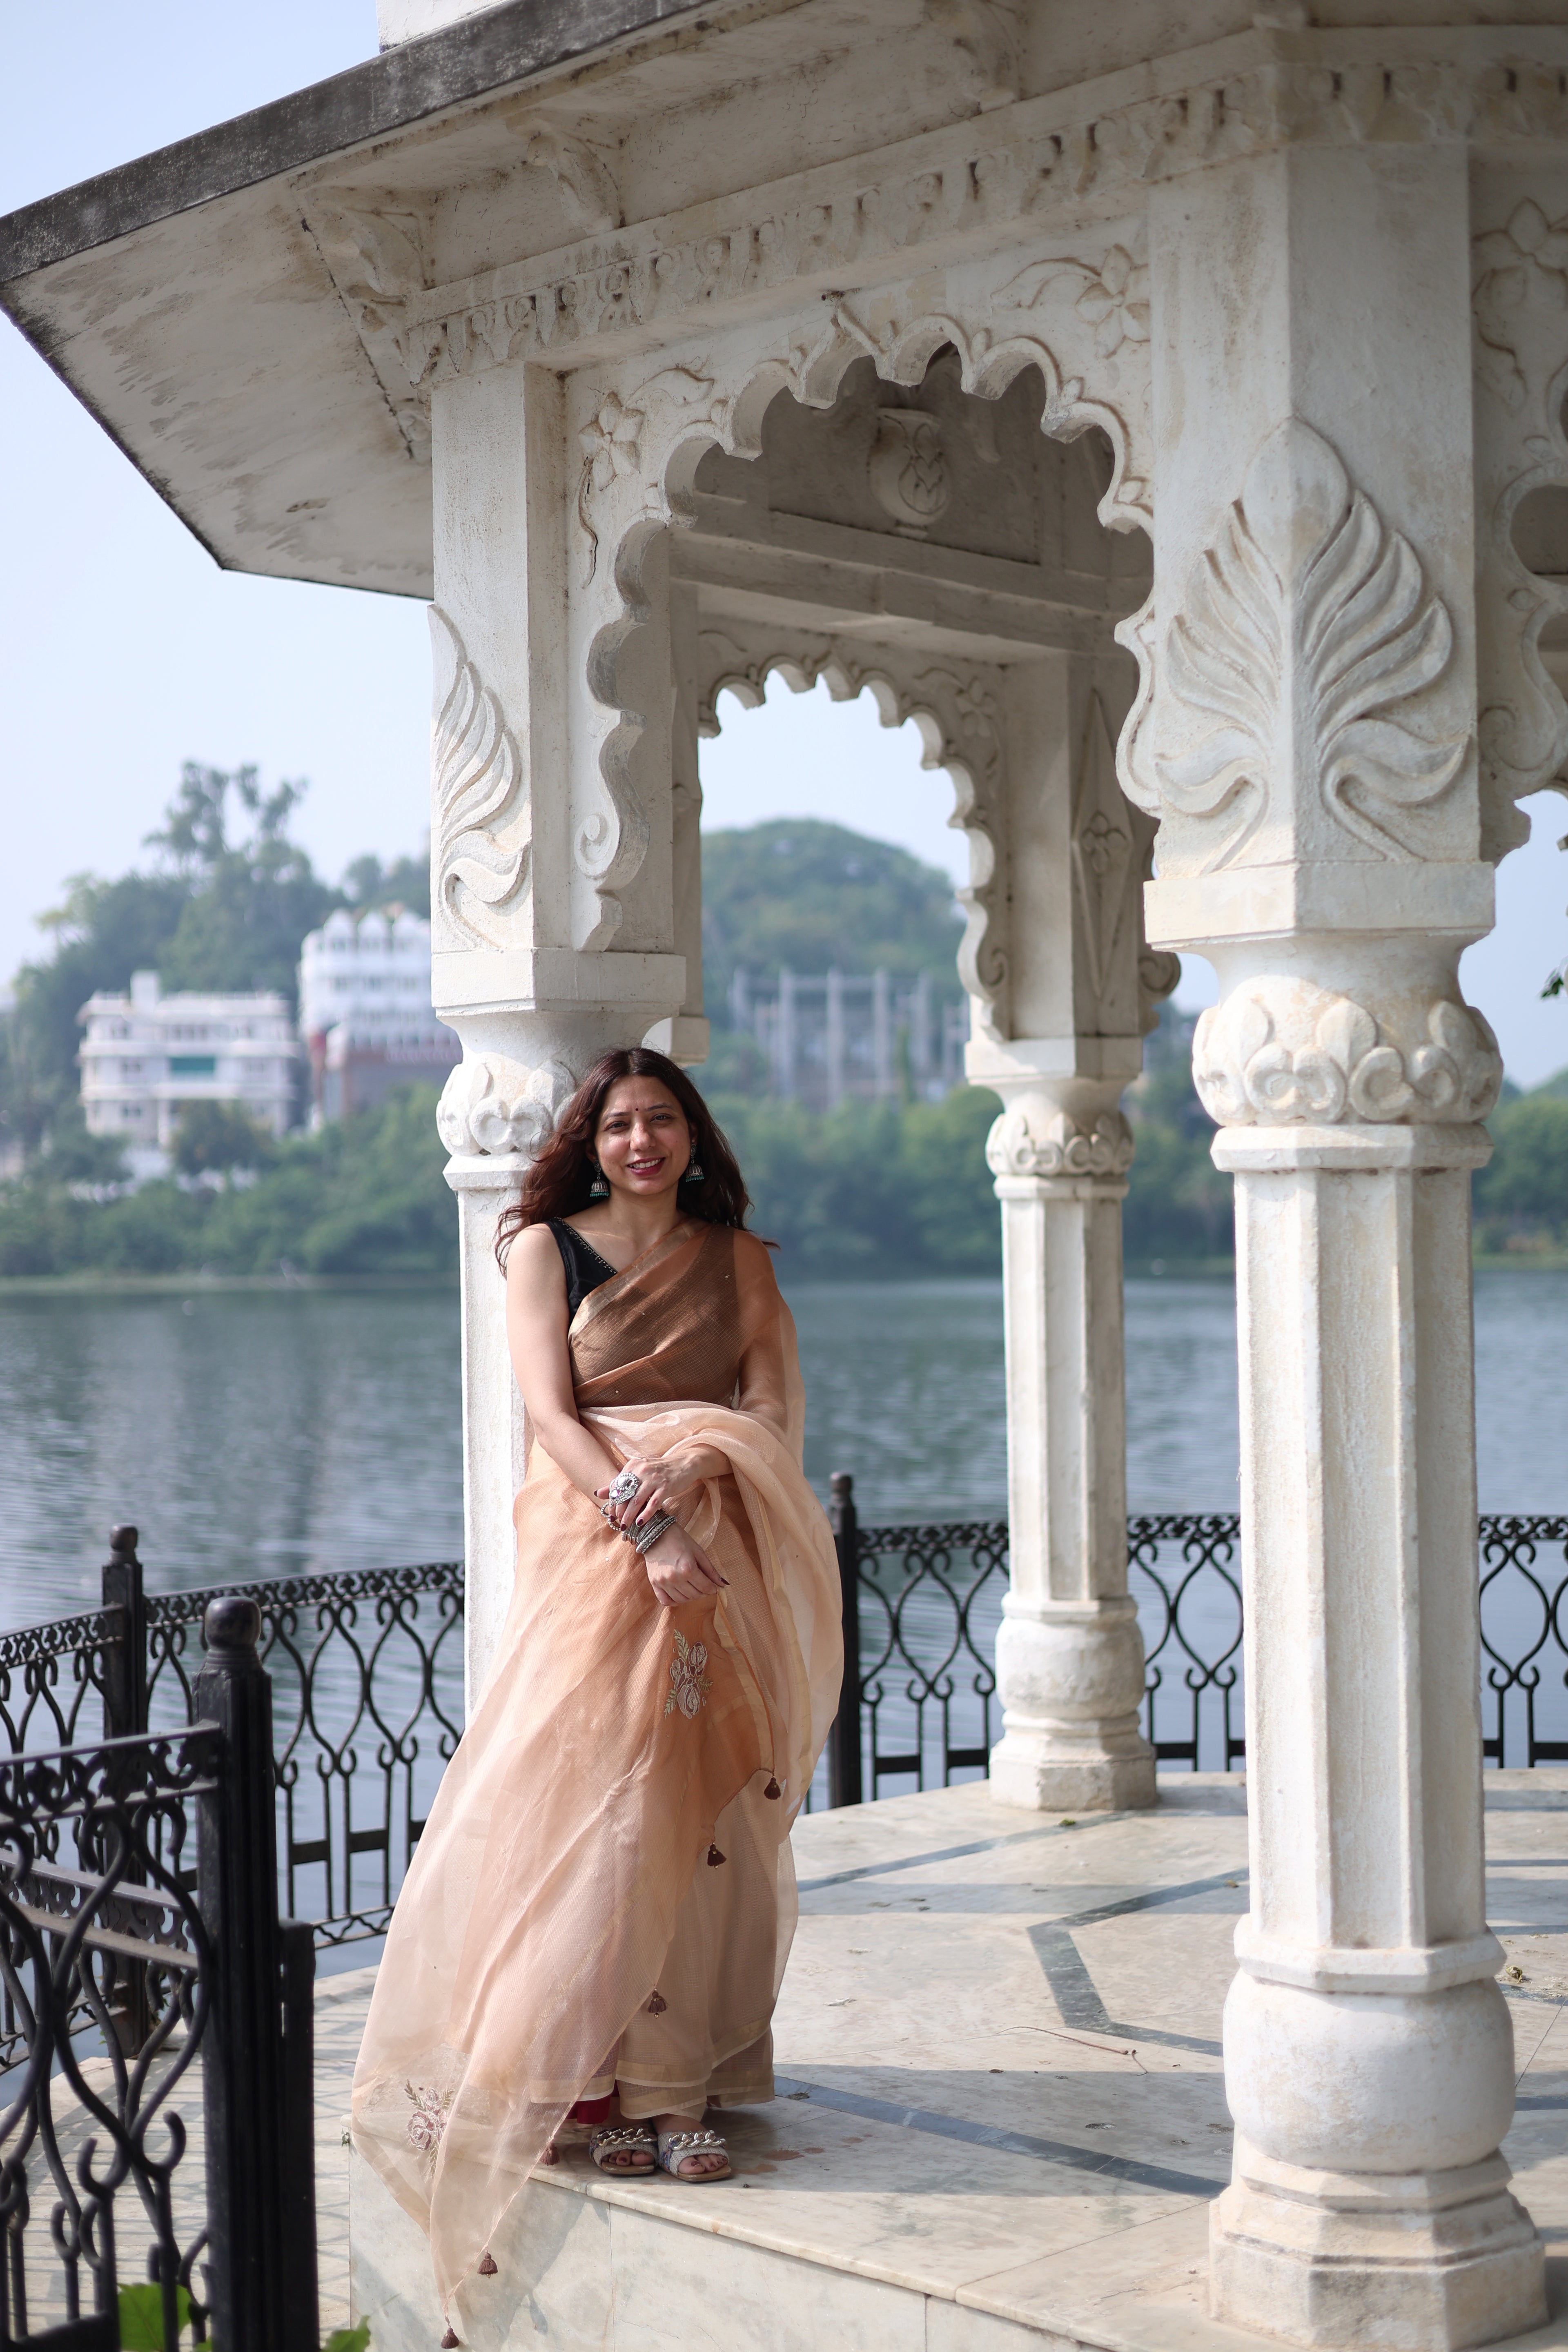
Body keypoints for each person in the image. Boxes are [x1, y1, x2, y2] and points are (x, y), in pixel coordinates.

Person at [351, 1047, 843, 2343]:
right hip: (596, 1558)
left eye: (663, 1121)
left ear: (693, 1135)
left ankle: (679, 2094)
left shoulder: (739, 1261)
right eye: (621, 1123)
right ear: (591, 1135)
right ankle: (591, 2087)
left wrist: (697, 1478)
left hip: (712, 1550)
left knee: (705, 1811)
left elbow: (770, 1413)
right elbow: (552, 1416)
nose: (642, 1142)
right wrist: (645, 1518)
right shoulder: (542, 1250)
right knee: (598, 1816)